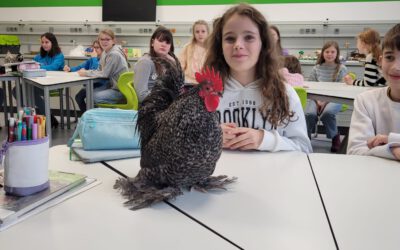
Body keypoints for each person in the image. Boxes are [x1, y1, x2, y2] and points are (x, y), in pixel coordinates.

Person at [204, 3, 312, 153]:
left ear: (263, 44)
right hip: (218, 175)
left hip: (271, 175)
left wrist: (265, 140)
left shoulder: (286, 94)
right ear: (220, 46)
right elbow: (182, 150)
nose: (238, 45)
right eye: (229, 38)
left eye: (249, 37)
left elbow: (304, 149)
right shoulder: (203, 95)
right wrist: (210, 137)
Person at [347, 23, 400, 160]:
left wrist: (390, 140)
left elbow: (368, 82)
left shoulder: (370, 58)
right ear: (381, 61)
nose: (396, 67)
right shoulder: (365, 101)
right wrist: (392, 149)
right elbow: (355, 151)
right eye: (390, 57)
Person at [13, 32, 64, 127]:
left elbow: (53, 67)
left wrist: (38, 66)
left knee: (31, 91)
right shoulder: (39, 56)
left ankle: (48, 116)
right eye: (42, 42)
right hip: (37, 83)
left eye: (47, 42)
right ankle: (32, 116)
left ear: (53, 42)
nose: (44, 44)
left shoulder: (59, 55)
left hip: (53, 85)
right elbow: (32, 64)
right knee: (16, 90)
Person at [305, 41, 348, 152]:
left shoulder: (342, 68)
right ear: (323, 53)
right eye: (327, 51)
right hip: (315, 99)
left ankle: (335, 137)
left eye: (332, 52)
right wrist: (318, 101)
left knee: (327, 114)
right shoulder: (316, 68)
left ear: (337, 53)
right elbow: (310, 86)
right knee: (309, 114)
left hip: (336, 99)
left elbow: (342, 90)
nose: (330, 54)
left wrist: (325, 101)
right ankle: (306, 137)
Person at [77, 29, 129, 109]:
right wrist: (87, 71)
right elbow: (99, 70)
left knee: (93, 96)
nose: (104, 42)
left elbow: (104, 74)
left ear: (113, 41)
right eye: (102, 39)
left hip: (120, 90)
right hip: (113, 86)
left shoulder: (114, 54)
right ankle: (92, 118)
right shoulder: (105, 52)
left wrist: (86, 73)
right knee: (85, 93)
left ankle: (104, 117)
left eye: (107, 39)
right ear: (99, 40)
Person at [134, 26, 182, 103]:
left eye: (167, 42)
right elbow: (141, 95)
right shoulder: (145, 62)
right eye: (160, 41)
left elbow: (177, 86)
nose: (164, 44)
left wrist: (174, 62)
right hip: (150, 107)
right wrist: (165, 99)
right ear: (152, 43)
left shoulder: (167, 62)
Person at [64, 40, 103, 112]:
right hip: (90, 85)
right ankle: (86, 115)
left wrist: (94, 58)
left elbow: (95, 71)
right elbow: (80, 67)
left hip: (100, 85)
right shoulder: (91, 59)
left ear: (102, 48)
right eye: (94, 47)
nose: (95, 50)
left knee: (91, 99)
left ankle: (93, 116)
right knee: (78, 97)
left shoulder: (103, 59)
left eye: (97, 47)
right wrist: (70, 69)